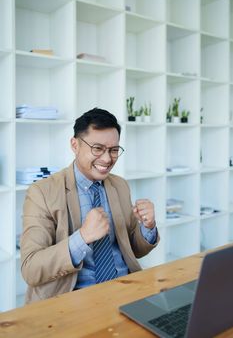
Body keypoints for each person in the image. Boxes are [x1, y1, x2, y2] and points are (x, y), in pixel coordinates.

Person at [21, 108, 159, 304]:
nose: (107, 159)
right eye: (97, 148)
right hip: (72, 300)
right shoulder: (41, 192)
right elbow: (31, 268)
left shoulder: (119, 185)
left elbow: (133, 250)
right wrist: (83, 237)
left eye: (113, 150)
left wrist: (148, 227)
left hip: (125, 290)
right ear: (75, 145)